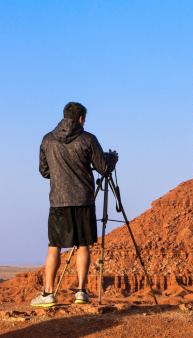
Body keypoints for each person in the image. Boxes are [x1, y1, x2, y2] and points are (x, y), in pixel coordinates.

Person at [31, 102, 118, 307]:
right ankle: (81, 291)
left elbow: (44, 172)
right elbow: (104, 169)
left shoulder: (47, 139)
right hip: (83, 200)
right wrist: (112, 159)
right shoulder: (88, 139)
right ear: (81, 119)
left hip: (59, 201)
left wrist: (61, 172)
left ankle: (48, 293)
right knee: (82, 246)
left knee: (54, 247)